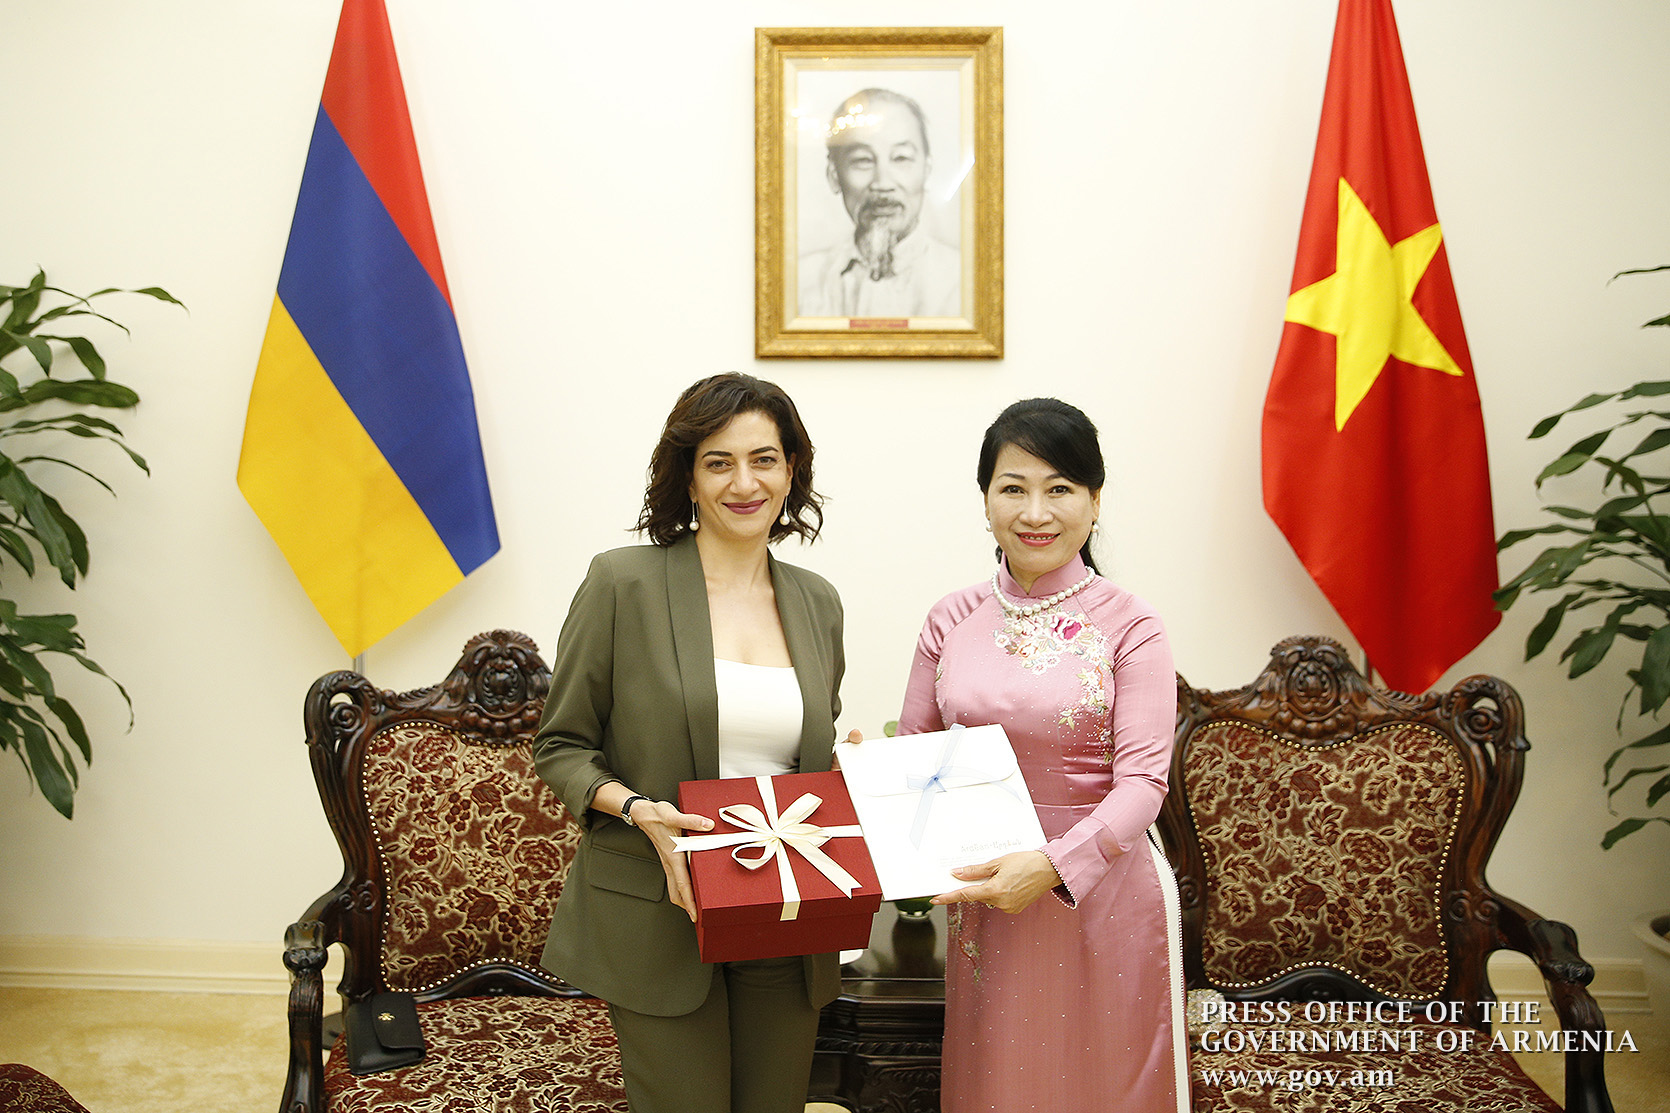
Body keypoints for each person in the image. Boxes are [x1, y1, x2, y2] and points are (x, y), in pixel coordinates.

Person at [532, 373, 854, 1113]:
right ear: (688, 477)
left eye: (764, 459)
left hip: (785, 907)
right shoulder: (623, 583)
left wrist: (853, 770)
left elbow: (808, 754)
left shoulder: (818, 602)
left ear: (791, 470)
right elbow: (561, 744)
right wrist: (636, 808)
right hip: (661, 904)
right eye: (719, 462)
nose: (745, 483)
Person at [895, 398, 1189, 1113]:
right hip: (987, 900)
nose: (1035, 512)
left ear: (1095, 500)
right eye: (1013, 487)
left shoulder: (1132, 625)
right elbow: (916, 755)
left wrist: (1054, 866)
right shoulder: (949, 617)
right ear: (985, 500)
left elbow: (1144, 784)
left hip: (1103, 893)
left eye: (1059, 488)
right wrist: (877, 778)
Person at [798, 87, 961, 319]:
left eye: (901, 158)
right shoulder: (800, 283)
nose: (882, 183)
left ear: (926, 170)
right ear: (834, 176)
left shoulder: (964, 281)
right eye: (863, 160)